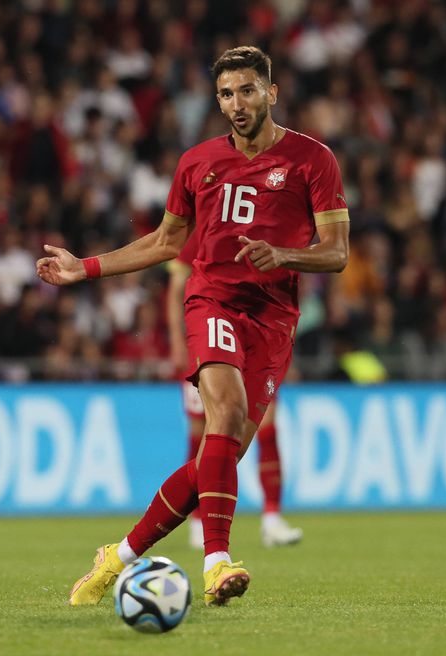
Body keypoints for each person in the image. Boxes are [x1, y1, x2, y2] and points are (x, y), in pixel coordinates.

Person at [36, 46, 349, 607]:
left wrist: (284, 255)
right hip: (212, 300)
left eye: (247, 90)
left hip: (274, 319)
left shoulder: (313, 159)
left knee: (218, 456)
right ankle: (217, 562)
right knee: (224, 412)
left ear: (272, 93)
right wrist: (86, 267)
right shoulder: (197, 162)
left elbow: (337, 251)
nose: (237, 103)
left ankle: (117, 557)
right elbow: (166, 242)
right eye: (226, 94)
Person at [167, 230, 303, 550]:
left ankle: (272, 517)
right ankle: (197, 520)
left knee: (267, 426)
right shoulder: (201, 232)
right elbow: (175, 290)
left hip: (255, 343)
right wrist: (177, 340)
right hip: (209, 339)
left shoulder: (264, 229)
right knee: (202, 433)